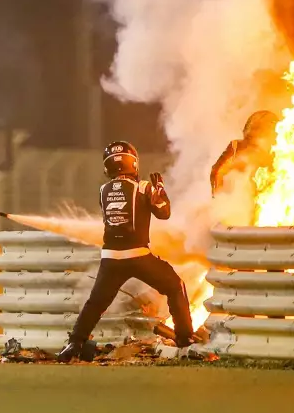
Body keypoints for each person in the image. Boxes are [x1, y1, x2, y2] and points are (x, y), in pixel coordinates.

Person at [57, 141, 195, 362]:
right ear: (133, 163)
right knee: (174, 286)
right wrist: (160, 189)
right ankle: (185, 339)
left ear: (108, 167)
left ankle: (74, 343)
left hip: (110, 258)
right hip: (138, 255)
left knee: (95, 303)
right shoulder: (143, 187)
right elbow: (164, 213)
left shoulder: (103, 191)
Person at [210, 110, 279, 197]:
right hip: (236, 202)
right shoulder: (236, 147)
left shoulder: (279, 156)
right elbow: (218, 172)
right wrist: (218, 197)